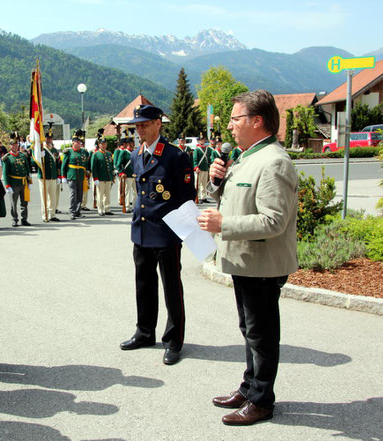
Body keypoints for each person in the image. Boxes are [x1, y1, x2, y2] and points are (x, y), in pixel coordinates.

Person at [198, 90, 298, 426]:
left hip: (263, 264)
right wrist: (216, 182)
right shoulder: (246, 157)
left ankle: (261, 401)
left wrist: (223, 224)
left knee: (261, 333)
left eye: (235, 118)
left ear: (257, 121)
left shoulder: (274, 162)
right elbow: (236, 199)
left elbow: (273, 221)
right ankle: (249, 386)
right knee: (250, 329)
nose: (229, 126)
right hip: (246, 262)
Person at [119, 105, 195, 366]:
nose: (139, 128)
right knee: (144, 285)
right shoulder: (136, 154)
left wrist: (186, 233)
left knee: (172, 288)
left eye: (144, 124)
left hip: (166, 234)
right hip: (141, 230)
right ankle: (144, 332)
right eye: (137, 125)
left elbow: (186, 199)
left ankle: (174, 341)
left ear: (158, 124)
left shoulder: (175, 156)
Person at [2, 134, 32, 227]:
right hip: (14, 183)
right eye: (13, 145)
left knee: (24, 202)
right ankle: (14, 219)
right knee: (13, 203)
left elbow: (28, 170)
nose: (15, 146)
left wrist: (30, 182)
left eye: (16, 145)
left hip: (23, 182)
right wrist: (7, 186)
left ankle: (24, 219)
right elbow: (5, 173)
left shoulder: (23, 156)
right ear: (10, 146)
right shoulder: (7, 158)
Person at [60, 130, 90, 220]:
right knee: (73, 194)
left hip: (80, 176)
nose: (78, 144)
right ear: (73, 143)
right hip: (71, 176)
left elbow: (86, 162)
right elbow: (64, 165)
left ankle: (77, 211)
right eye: (77, 142)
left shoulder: (83, 152)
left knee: (80, 194)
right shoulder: (68, 152)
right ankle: (72, 212)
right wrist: (63, 176)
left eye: (79, 142)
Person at [35, 131, 60, 222]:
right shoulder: (41, 149)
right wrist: (40, 156)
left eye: (50, 138)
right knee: (44, 197)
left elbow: (57, 164)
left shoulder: (54, 150)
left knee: (52, 197)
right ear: (44, 138)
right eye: (47, 138)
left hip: (52, 176)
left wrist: (58, 176)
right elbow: (34, 163)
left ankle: (52, 214)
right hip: (44, 177)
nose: (49, 140)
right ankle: (44, 215)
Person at [91, 135, 115, 216]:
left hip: (108, 177)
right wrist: (95, 178)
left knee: (107, 194)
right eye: (102, 144)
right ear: (99, 144)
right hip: (100, 178)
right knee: (100, 194)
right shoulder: (96, 154)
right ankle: (100, 209)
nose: (104, 145)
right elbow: (93, 167)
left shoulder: (108, 153)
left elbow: (111, 166)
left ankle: (107, 209)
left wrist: (112, 176)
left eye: (105, 144)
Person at [115, 136, 135, 213]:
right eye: (129, 144)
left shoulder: (135, 152)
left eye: (132, 143)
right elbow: (118, 164)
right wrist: (121, 172)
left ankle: (134, 206)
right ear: (126, 144)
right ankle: (127, 206)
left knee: (135, 192)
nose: (131, 145)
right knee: (127, 191)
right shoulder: (123, 152)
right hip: (127, 175)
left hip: (135, 175)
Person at [193, 138, 214, 203]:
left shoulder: (207, 149)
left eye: (203, 140)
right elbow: (195, 159)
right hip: (199, 169)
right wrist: (196, 167)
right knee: (198, 184)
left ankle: (203, 197)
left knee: (204, 184)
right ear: (198, 141)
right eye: (201, 140)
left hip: (205, 168)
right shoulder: (197, 149)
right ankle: (197, 197)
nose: (202, 141)